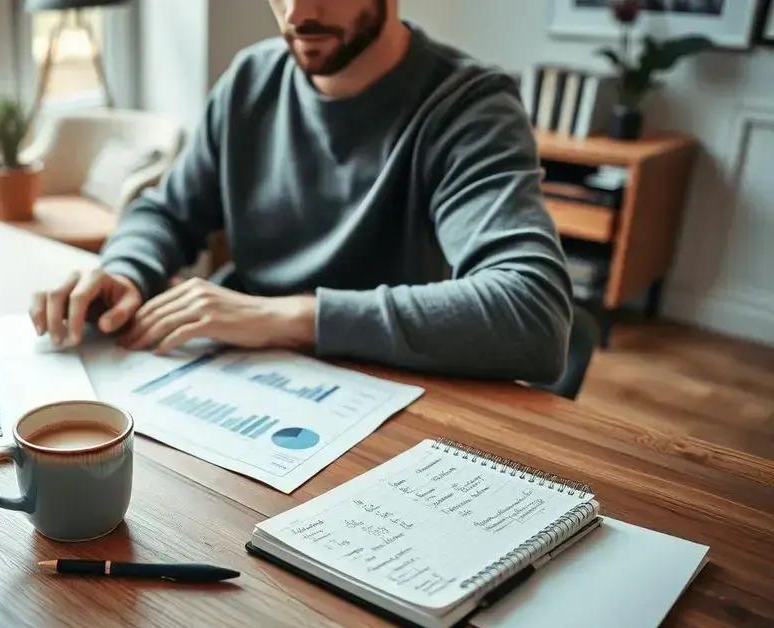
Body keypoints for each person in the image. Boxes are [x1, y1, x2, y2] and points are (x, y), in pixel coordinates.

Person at [30, 0, 572, 381]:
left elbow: (531, 312)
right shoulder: (250, 81)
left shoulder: (470, 109)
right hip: (237, 380)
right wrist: (125, 269)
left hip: (396, 400)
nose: (297, 14)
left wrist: (283, 318)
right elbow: (168, 212)